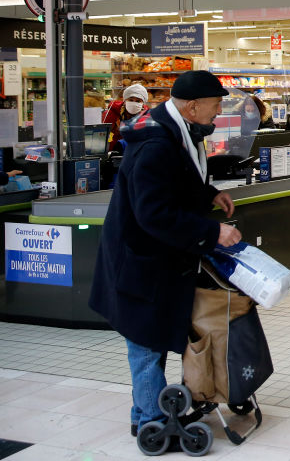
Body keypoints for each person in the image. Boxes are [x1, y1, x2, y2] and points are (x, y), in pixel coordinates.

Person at [89, 70, 241, 440]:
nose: (218, 112)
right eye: (215, 105)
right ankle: (150, 421)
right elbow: (153, 212)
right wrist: (212, 232)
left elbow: (177, 181)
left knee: (151, 337)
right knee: (145, 343)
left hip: (155, 259)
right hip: (139, 262)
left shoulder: (174, 130)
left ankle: (144, 412)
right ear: (193, 106)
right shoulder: (156, 143)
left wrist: (209, 194)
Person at [102, 84, 149, 152]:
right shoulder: (111, 113)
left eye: (138, 101)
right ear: (124, 101)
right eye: (131, 100)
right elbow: (104, 136)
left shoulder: (146, 116)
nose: (134, 103)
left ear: (143, 103)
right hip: (114, 151)